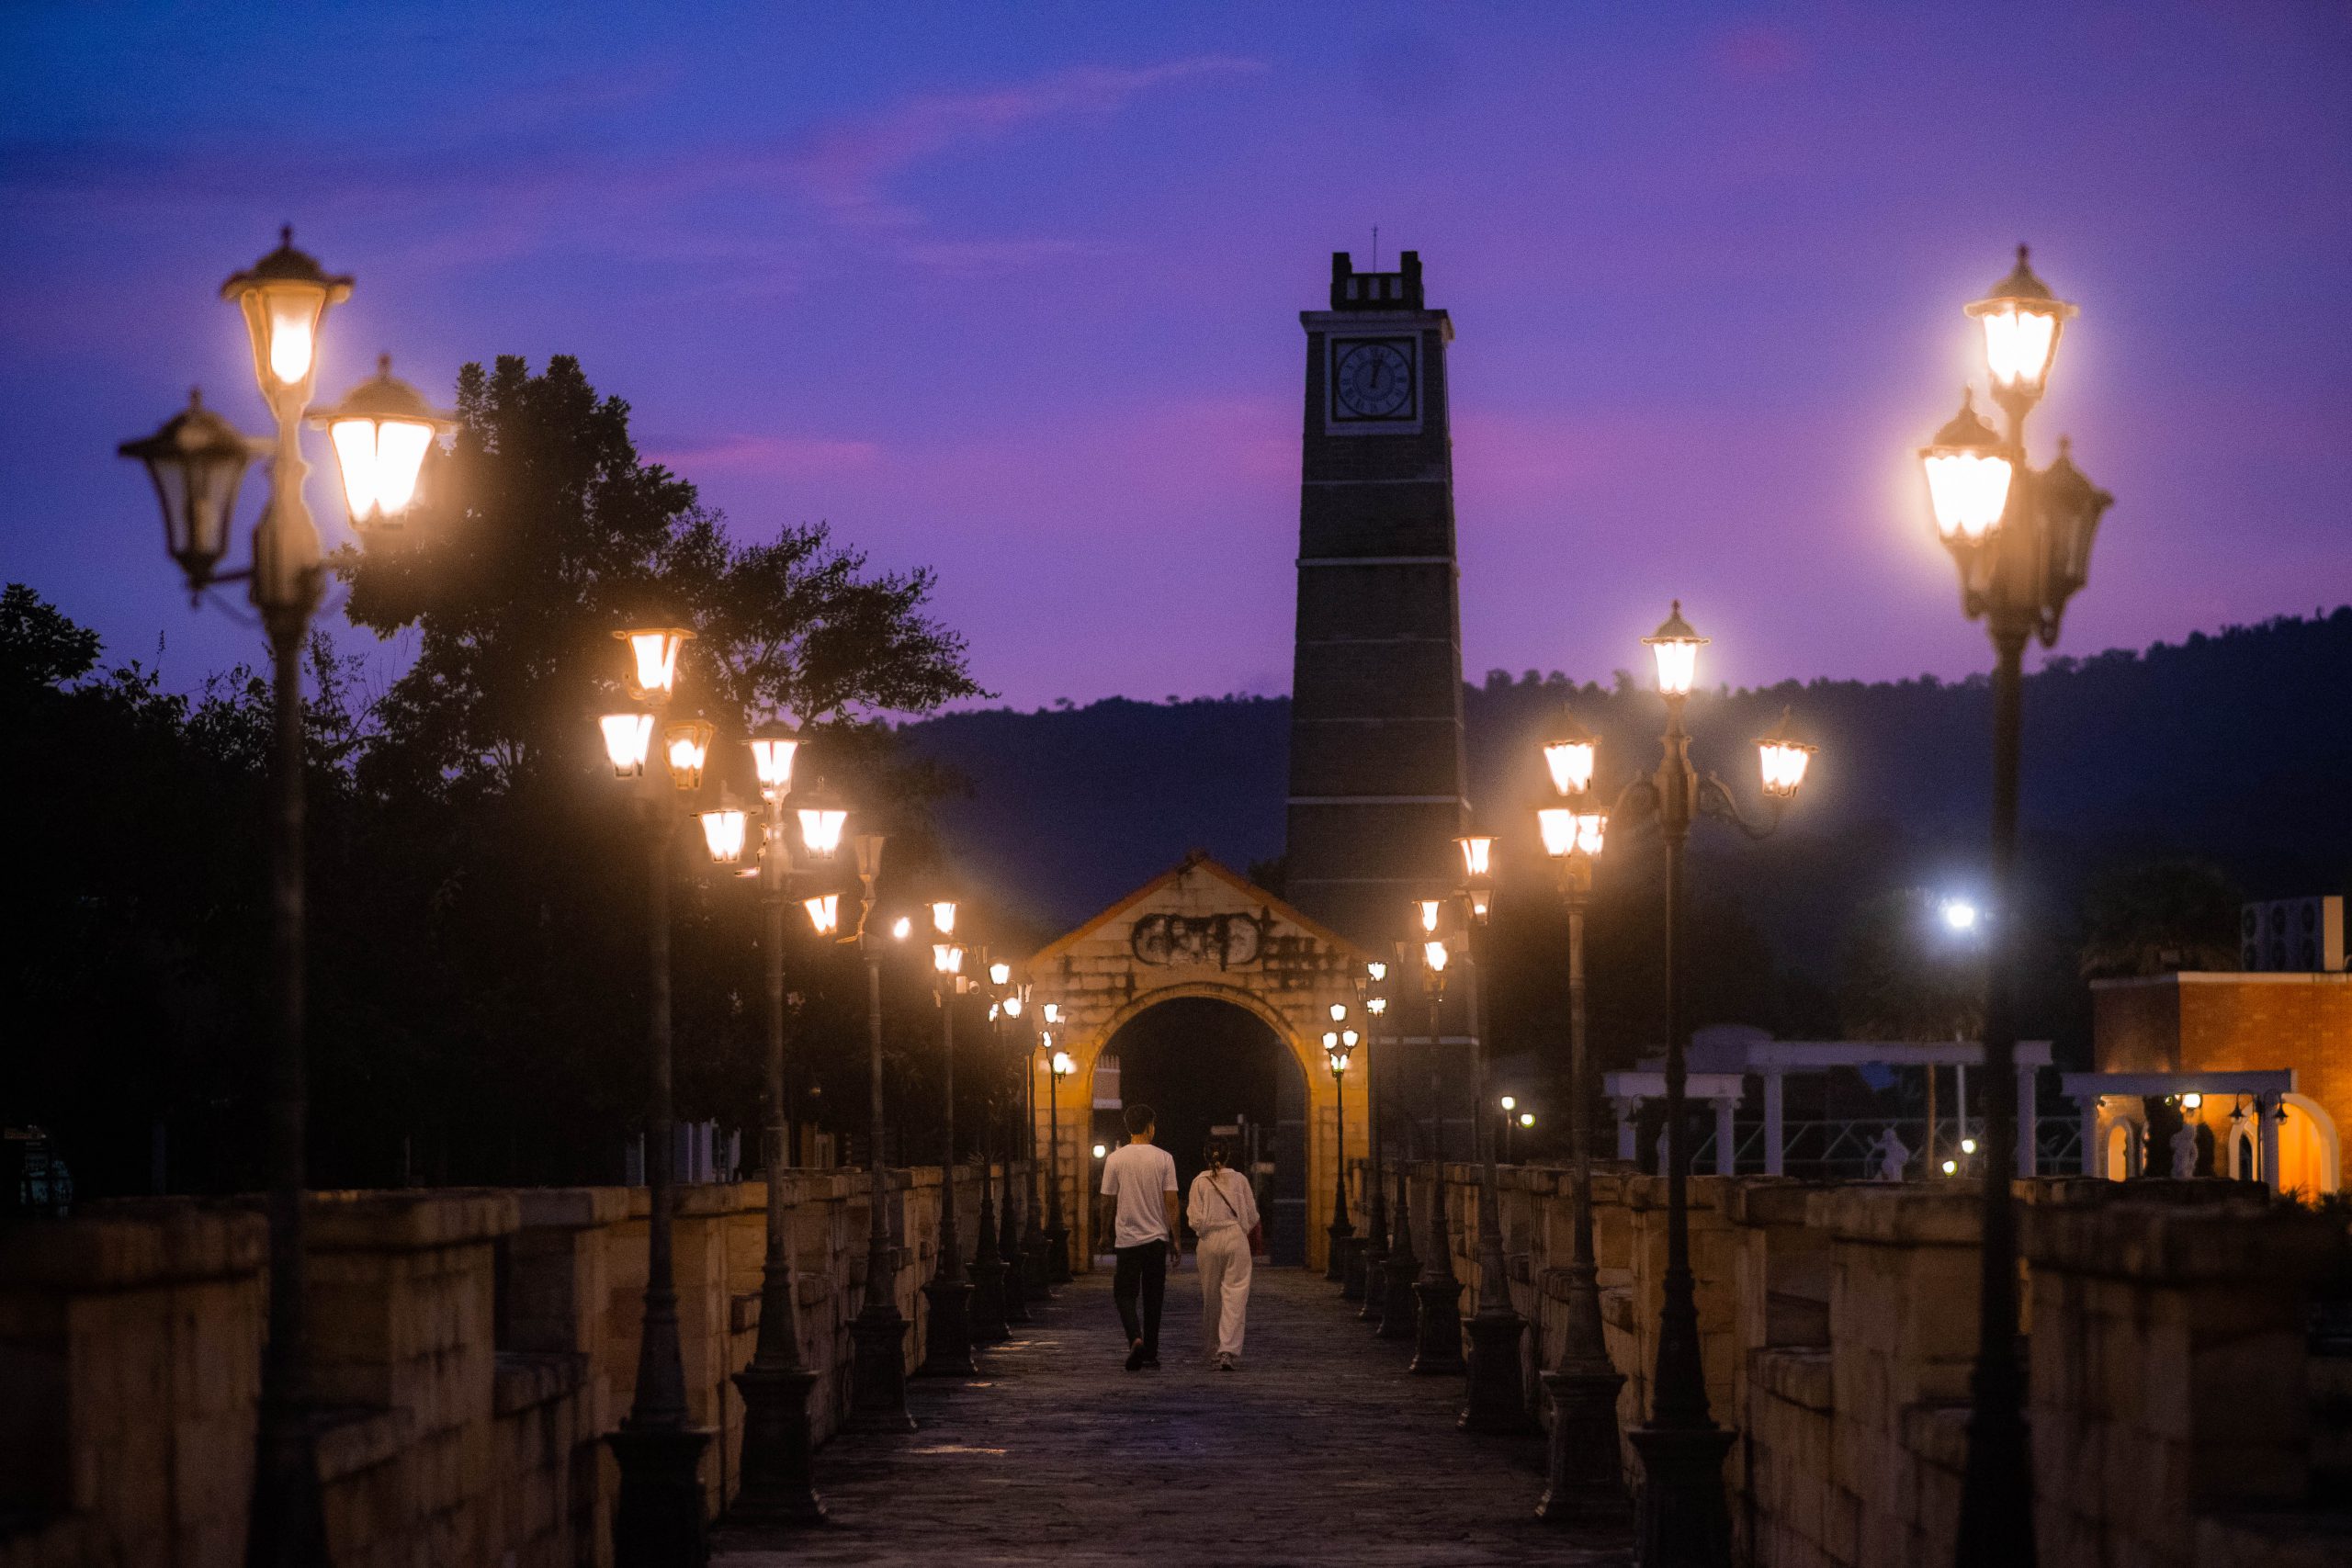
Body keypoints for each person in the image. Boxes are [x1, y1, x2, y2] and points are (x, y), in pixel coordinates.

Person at [1097, 1102, 1180, 1371]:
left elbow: (1107, 1201)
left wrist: (1103, 1233)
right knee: (1154, 1297)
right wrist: (1176, 1239)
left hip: (1127, 1240)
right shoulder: (1164, 1158)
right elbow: (1172, 1203)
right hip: (1156, 1240)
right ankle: (1151, 1353)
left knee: (1124, 1294)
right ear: (1148, 1127)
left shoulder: (1115, 1159)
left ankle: (1135, 1338)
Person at [1189, 1135, 1259, 1371]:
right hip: (1234, 1237)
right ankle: (1228, 1350)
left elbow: (1194, 1219)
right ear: (1229, 1156)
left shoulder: (1199, 1182)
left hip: (1209, 1239)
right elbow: (1252, 1215)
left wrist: (1207, 1228)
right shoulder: (1240, 1180)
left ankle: (1212, 1347)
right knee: (1235, 1295)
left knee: (1211, 1297)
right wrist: (1239, 1230)